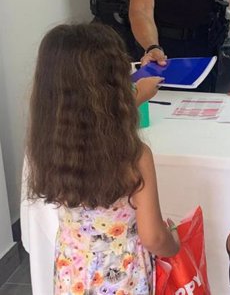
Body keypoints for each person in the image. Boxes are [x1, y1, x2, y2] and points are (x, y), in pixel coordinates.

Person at [25, 23, 179, 294]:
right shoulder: (134, 157)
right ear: (116, 88)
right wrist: (174, 242)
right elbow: (154, 237)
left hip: (73, 276)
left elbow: (86, 120)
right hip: (125, 281)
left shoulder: (46, 147)